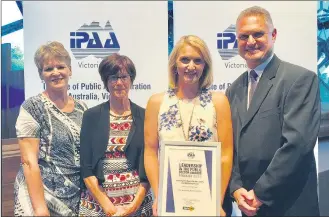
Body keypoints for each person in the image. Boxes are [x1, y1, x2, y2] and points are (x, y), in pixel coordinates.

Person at [226, 6, 320, 216]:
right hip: (249, 205)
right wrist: (236, 188)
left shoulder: (299, 79)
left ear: (273, 35)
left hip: (290, 204)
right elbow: (230, 146)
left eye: (258, 34)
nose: (250, 41)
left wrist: (259, 193)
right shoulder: (234, 90)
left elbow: (297, 145)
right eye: (243, 36)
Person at [144, 35, 234, 216]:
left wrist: (217, 200)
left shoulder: (219, 101)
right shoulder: (157, 102)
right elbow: (151, 152)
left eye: (198, 61)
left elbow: (225, 154)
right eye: (185, 59)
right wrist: (160, 196)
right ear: (174, 64)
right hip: (170, 202)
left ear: (205, 66)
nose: (191, 66)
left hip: (210, 201)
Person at [14, 41, 87, 216]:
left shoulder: (82, 107)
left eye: (60, 66)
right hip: (42, 198)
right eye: (48, 69)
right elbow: (29, 161)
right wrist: (40, 209)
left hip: (75, 197)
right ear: (41, 75)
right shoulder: (32, 108)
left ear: (70, 70)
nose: (55, 73)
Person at [79, 54, 153, 216]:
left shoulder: (145, 116)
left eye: (124, 77)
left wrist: (132, 207)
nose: (119, 82)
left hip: (138, 206)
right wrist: (109, 208)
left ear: (131, 79)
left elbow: (149, 166)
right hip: (98, 206)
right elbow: (86, 168)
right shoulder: (91, 116)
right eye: (113, 77)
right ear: (106, 81)